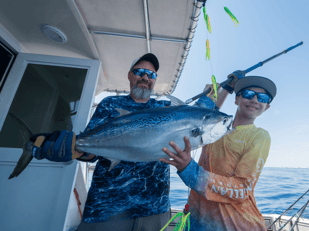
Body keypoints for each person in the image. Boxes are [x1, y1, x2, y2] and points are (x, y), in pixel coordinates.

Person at [29, 53, 223, 231]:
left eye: (151, 74)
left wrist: (221, 90)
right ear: (130, 76)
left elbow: (196, 118)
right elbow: (90, 152)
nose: (145, 78)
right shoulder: (110, 105)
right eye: (140, 72)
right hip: (107, 210)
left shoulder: (162, 108)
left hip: (154, 209)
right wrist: (73, 149)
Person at [160, 76, 277, 230]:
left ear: (266, 106)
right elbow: (205, 116)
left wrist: (189, 169)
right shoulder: (216, 128)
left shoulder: (259, 136)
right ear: (237, 100)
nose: (255, 100)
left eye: (262, 97)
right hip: (197, 221)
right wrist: (226, 89)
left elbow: (241, 189)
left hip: (238, 224)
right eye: (248, 94)